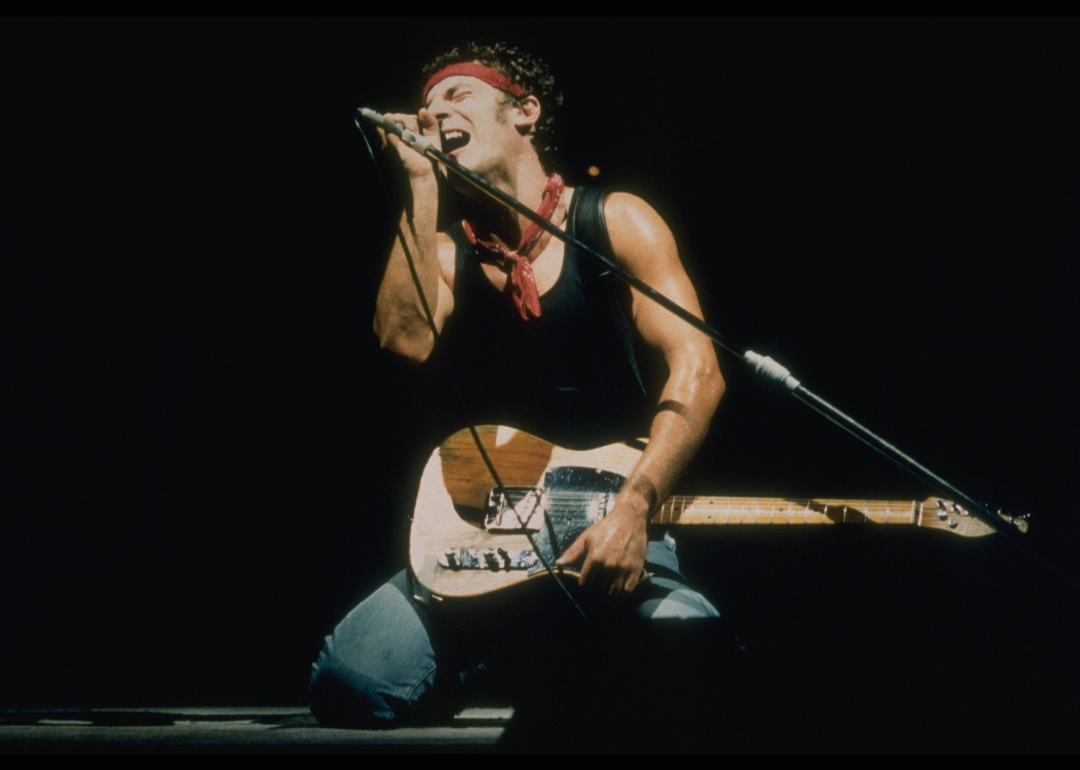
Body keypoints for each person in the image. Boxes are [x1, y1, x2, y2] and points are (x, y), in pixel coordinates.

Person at [308, 42, 726, 735]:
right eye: (429, 104)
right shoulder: (443, 251)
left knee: (692, 652)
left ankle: (564, 656)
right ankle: (524, 653)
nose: (434, 113)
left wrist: (634, 510)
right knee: (351, 685)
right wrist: (418, 184)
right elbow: (404, 342)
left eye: (458, 98)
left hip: (609, 524)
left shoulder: (614, 220)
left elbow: (699, 371)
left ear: (524, 112)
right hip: (480, 537)